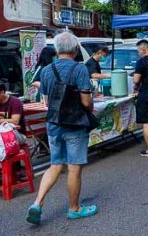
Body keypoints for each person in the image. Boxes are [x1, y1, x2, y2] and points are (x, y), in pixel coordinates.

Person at [26, 31, 98, 225]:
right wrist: (91, 106)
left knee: (55, 164)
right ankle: (74, 208)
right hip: (74, 124)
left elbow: (48, 100)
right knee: (74, 167)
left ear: (56, 50)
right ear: (75, 50)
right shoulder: (80, 69)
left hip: (53, 124)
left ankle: (37, 203)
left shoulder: (47, 71)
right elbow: (85, 102)